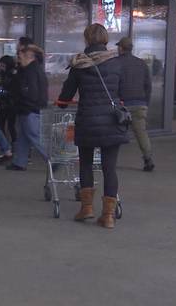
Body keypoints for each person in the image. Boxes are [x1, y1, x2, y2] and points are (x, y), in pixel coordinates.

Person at [57, 24, 128, 229]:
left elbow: (66, 95)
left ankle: (87, 208)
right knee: (109, 168)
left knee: (86, 164)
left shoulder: (79, 63)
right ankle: (108, 216)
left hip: (87, 120)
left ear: (87, 39)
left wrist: (61, 103)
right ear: (105, 39)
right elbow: (122, 92)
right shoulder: (116, 63)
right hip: (112, 122)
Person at [6, 44, 49, 171]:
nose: (18, 59)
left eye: (20, 56)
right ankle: (20, 161)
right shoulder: (34, 69)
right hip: (30, 108)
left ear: (28, 57)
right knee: (24, 136)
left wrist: (22, 102)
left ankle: (51, 159)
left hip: (29, 108)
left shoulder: (29, 72)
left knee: (33, 136)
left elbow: (30, 92)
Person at [117, 37, 154, 171]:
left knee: (114, 132)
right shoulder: (141, 64)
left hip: (122, 105)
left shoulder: (116, 63)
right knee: (141, 133)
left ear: (121, 48)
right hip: (140, 104)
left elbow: (114, 84)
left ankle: (109, 160)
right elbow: (148, 86)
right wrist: (146, 103)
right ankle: (148, 159)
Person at [0, 56, 20, 150]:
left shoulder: (14, 75)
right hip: (4, 104)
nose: (0, 67)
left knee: (11, 126)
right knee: (1, 125)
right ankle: (6, 146)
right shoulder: (3, 75)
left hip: (12, 104)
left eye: (2, 65)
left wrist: (1, 92)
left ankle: (12, 146)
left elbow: (13, 91)